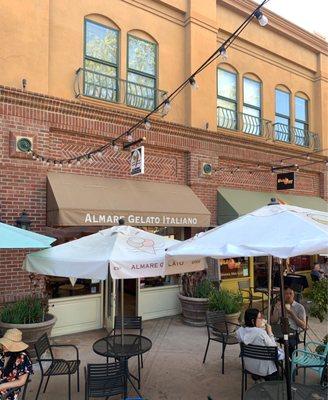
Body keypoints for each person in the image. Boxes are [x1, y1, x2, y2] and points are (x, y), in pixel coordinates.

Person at [236, 308, 284, 381]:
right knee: (281, 358)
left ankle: (256, 377)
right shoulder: (260, 333)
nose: (262, 319)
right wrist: (270, 332)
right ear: (253, 321)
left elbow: (251, 334)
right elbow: (274, 349)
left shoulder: (239, 332)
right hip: (265, 370)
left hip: (250, 367)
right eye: (260, 318)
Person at [271, 286, 306, 355]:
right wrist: (277, 310)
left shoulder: (299, 307)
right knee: (269, 340)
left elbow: (304, 326)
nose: (289, 295)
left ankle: (290, 363)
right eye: (286, 294)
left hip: (292, 334)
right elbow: (273, 321)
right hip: (280, 332)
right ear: (283, 295)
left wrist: (292, 314)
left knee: (289, 344)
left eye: (291, 293)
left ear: (294, 294)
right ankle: (276, 362)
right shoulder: (279, 305)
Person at [0, 329, 33, 400]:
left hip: (10, 387)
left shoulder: (23, 358)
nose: (4, 346)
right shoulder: (3, 350)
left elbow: (22, 381)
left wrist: (2, 386)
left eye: (7, 344)